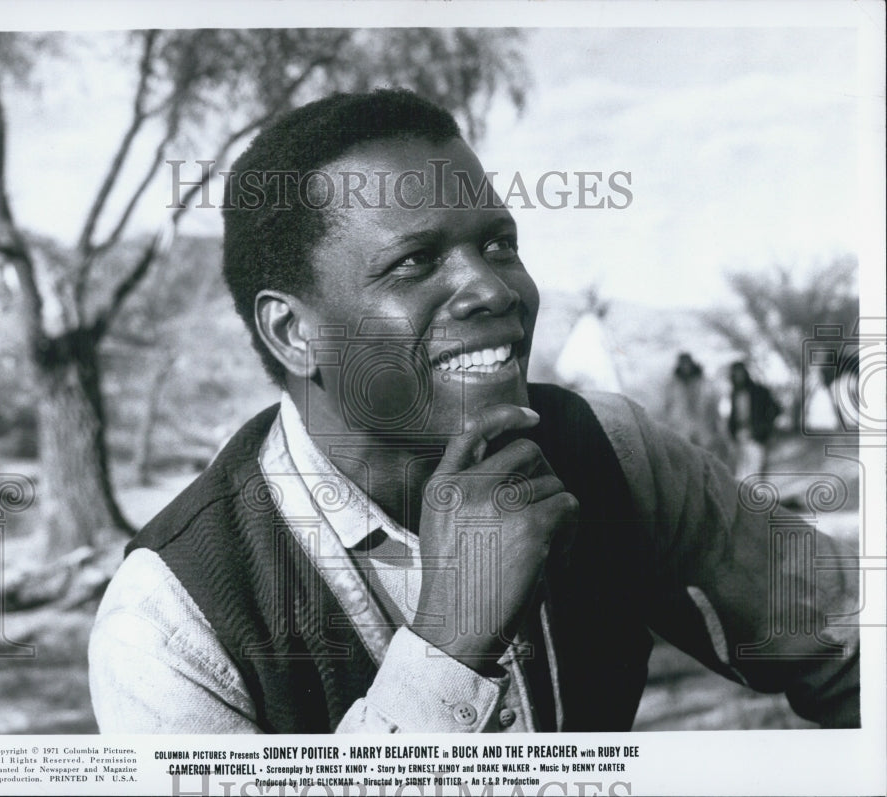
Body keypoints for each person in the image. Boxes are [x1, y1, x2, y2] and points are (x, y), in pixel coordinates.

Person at [88, 89, 858, 733]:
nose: (493, 289)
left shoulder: (610, 451)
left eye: (498, 243)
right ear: (295, 333)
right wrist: (450, 640)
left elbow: (848, 651)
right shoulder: (170, 621)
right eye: (415, 262)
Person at [727, 361, 781, 482]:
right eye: (736, 374)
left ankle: (756, 498)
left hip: (756, 437)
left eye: (740, 373)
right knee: (740, 475)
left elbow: (776, 409)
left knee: (756, 474)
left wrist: (764, 427)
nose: (738, 376)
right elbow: (734, 417)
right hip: (740, 437)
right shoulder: (734, 393)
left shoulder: (759, 391)